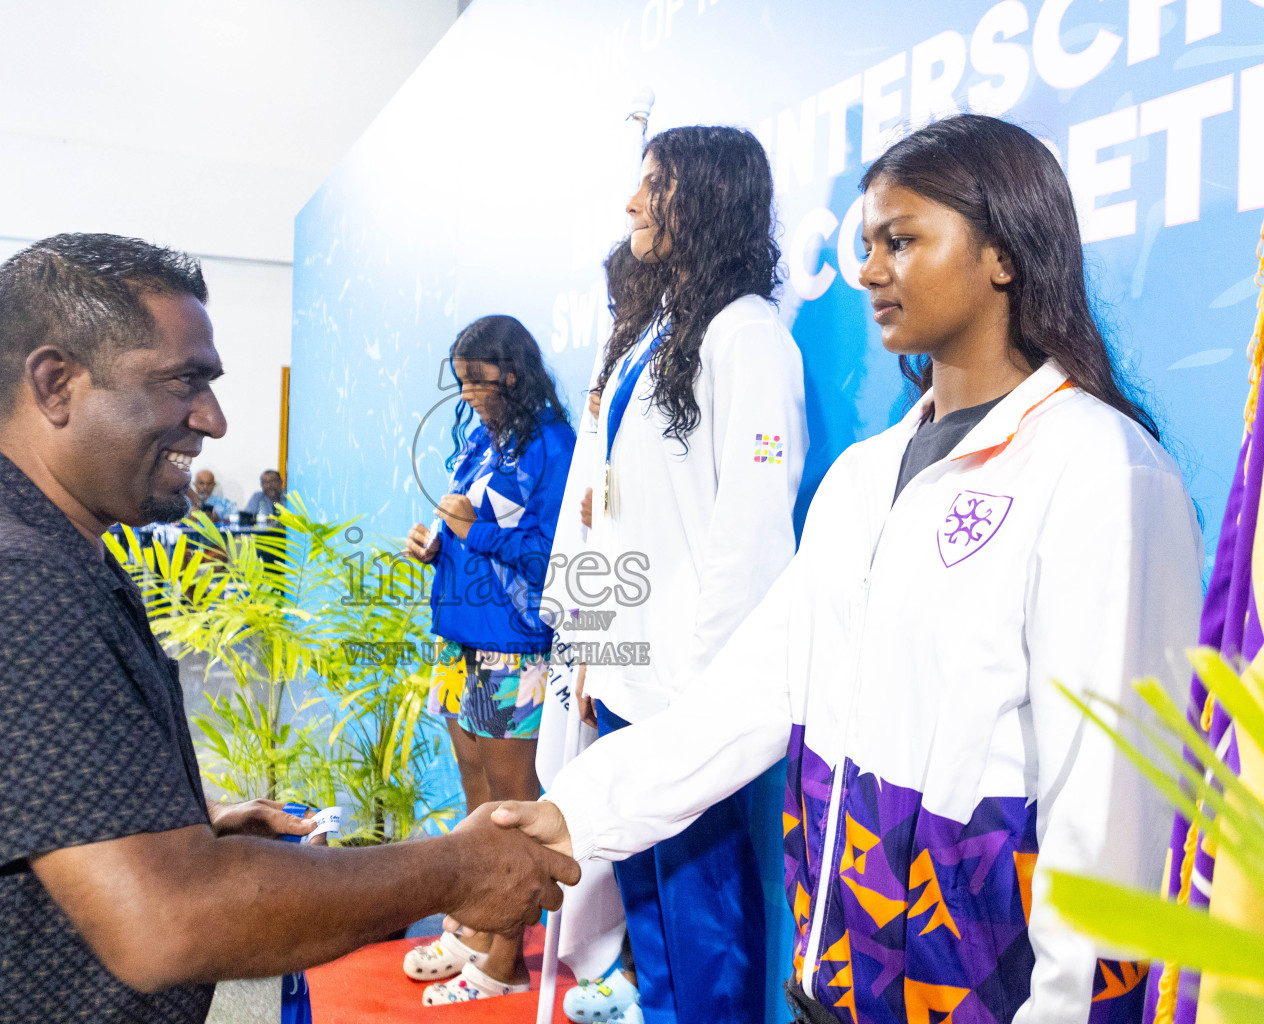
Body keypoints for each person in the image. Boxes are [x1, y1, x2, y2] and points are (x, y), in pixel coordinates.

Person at [493, 114, 1204, 1024]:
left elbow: (1114, 814)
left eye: (901, 241)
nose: (868, 270)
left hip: (982, 989)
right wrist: (576, 813)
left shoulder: (1101, 471)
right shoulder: (866, 477)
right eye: (866, 243)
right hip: (839, 975)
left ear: (1005, 254)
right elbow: (754, 688)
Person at [0, 233, 579, 1024]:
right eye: (185, 382)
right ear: (55, 383)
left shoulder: (31, 546)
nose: (211, 418)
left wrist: (176, 826)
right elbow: (166, 921)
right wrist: (453, 871)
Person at [565, 124, 808, 1024]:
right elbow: (615, 515)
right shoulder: (657, 336)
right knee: (652, 915)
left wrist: (703, 703)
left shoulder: (748, 338)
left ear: (705, 198)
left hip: (691, 697)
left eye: (655, 184)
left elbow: (748, 539)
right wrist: (596, 650)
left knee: (705, 924)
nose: (632, 202)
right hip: (631, 680)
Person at [401, 314, 576, 1005]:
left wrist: (475, 534)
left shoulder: (552, 444)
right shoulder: (480, 439)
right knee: (476, 798)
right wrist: (441, 545)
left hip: (516, 645)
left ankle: (507, 962)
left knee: (512, 810)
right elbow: (467, 531)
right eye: (462, 380)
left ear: (514, 371)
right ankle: (477, 926)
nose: (468, 393)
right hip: (461, 640)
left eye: (478, 379)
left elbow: (552, 555)